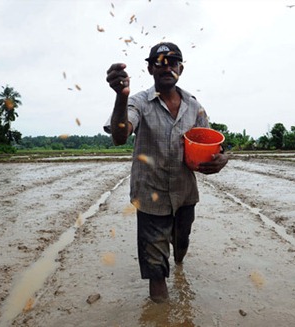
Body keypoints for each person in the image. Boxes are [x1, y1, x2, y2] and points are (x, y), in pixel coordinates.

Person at [104, 42, 228, 302]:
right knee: (156, 269)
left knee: (181, 243)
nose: (166, 67)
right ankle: (163, 314)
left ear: (181, 68)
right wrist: (121, 95)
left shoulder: (194, 107)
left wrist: (220, 160)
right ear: (150, 69)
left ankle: (179, 263)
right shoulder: (137, 102)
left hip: (184, 195)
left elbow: (212, 145)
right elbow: (119, 135)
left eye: (173, 62)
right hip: (151, 196)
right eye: (159, 62)